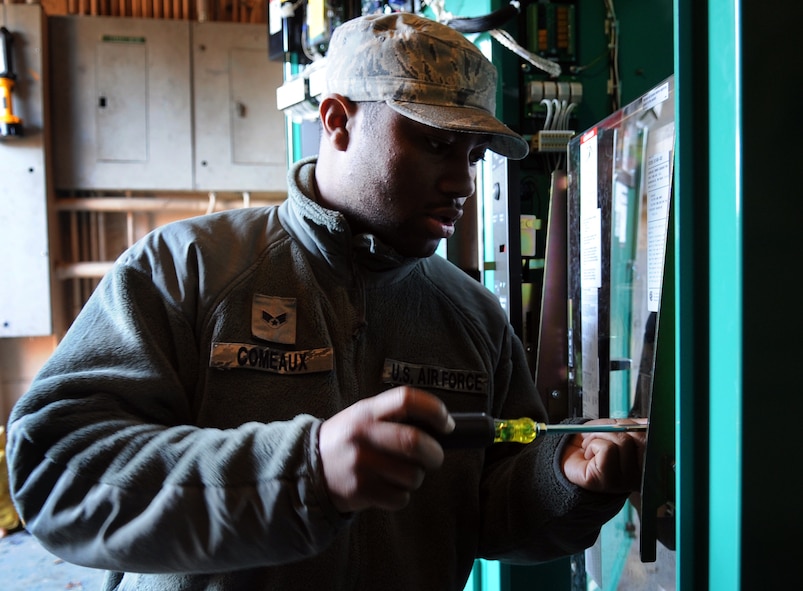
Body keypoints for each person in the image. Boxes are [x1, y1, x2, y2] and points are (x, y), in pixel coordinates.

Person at [6, 12, 644, 590]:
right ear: (337, 121)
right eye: (435, 144)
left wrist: (565, 480)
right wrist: (302, 473)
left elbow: (490, 513)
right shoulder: (188, 269)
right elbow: (56, 472)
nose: (462, 183)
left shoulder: (471, 316)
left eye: (472, 155)